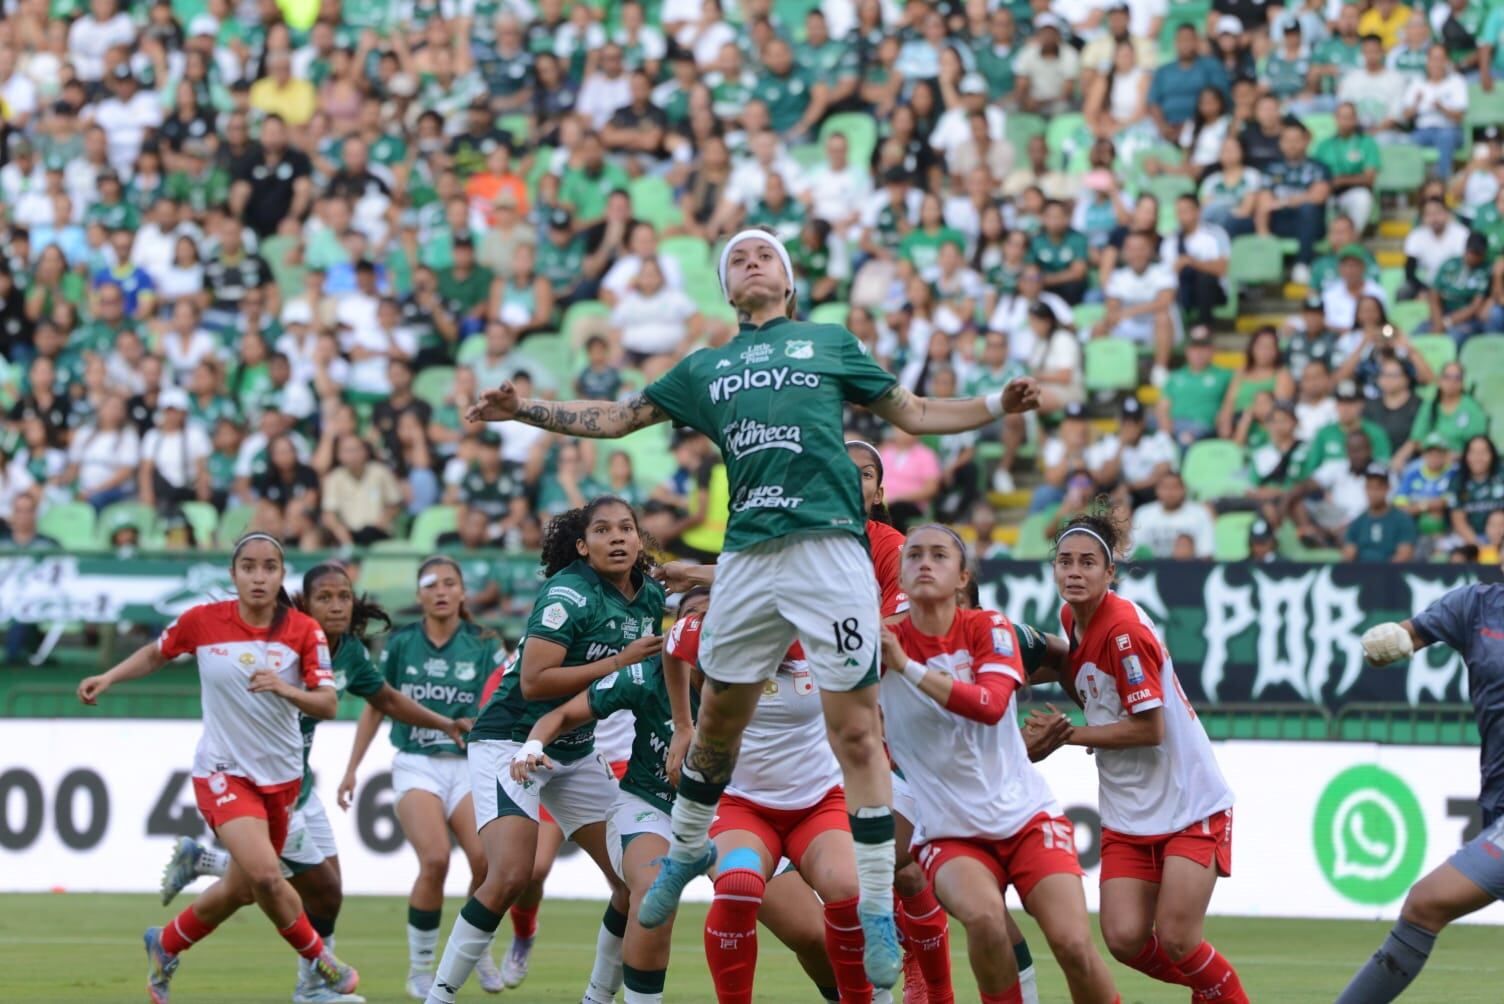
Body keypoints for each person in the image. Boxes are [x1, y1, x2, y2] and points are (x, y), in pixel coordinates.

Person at [463, 227, 1041, 991]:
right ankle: (683, 854)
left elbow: (916, 412)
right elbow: (620, 416)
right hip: (745, 558)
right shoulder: (706, 367)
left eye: (763, 253)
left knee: (858, 731)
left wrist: (996, 404)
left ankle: (872, 908)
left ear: (789, 281)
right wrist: (526, 411)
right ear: (728, 290)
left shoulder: (828, 343)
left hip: (828, 552)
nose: (750, 261)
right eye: (736, 258)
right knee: (720, 719)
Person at [159, 562, 474, 1003]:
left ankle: (198, 883)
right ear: (304, 604)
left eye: (344, 597)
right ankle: (308, 985)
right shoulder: (280, 638)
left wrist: (444, 724)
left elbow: (384, 698)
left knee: (296, 893)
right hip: (256, 786)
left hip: (298, 789)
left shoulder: (347, 652)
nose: (337, 606)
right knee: (302, 890)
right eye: (324, 598)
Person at [76, 534, 359, 1003]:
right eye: (248, 567)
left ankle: (164, 944)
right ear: (234, 575)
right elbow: (156, 652)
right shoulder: (203, 621)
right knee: (268, 877)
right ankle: (320, 961)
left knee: (243, 890)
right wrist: (108, 676)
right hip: (223, 772)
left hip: (283, 780)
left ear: (281, 575)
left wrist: (285, 690)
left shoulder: (303, 631)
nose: (259, 576)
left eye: (269, 567)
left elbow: (327, 703)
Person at [422, 498, 659, 1004]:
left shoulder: (651, 597)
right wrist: (618, 660)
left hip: (574, 748)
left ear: (639, 540)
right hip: (511, 740)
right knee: (509, 874)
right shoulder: (568, 593)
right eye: (602, 530)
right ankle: (438, 996)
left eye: (626, 528)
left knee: (631, 884)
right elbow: (533, 682)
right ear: (582, 545)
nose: (616, 538)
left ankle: (596, 997)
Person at [878, 523, 1120, 1004]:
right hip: (949, 830)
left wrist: (906, 666)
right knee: (985, 921)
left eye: (939, 555)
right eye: (914, 556)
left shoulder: (990, 628)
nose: (925, 562)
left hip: (1026, 817)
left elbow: (989, 704)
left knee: (1073, 945)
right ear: (898, 579)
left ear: (963, 576)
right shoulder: (872, 646)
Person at [1026, 511, 1246, 1004]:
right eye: (1065, 562)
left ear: (1111, 574)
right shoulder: (1072, 618)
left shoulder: (1125, 632)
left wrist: (1065, 734)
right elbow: (1079, 672)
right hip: (1130, 812)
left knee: (1177, 938)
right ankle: (1215, 991)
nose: (1074, 572)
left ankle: (1225, 995)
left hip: (1190, 804)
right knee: (1125, 939)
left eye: (1087, 562)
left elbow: (1150, 728)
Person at [340, 557, 508, 998]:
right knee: (435, 859)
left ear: (461, 593)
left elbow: (506, 697)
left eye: (449, 583)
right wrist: (353, 767)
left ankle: (478, 948)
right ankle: (420, 968)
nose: (440, 591)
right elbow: (378, 704)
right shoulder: (401, 644)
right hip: (417, 763)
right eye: (431, 584)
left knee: (487, 864)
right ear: (419, 595)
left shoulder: (486, 643)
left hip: (469, 765)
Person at [1339, 556, 1504, 1001]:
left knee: (1425, 903)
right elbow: (1407, 635)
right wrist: (1391, 640)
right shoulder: (1476, 607)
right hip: (1496, 804)